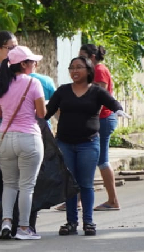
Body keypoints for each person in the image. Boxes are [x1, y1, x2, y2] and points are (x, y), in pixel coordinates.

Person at [45, 56, 127, 236]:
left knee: (86, 184)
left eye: (79, 67)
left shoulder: (96, 91)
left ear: (89, 70)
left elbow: (112, 103)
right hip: (65, 143)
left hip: (88, 144)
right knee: (70, 183)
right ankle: (71, 222)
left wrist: (118, 110)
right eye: (72, 68)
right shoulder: (63, 91)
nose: (75, 71)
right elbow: (47, 112)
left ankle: (88, 222)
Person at [0, 46, 47, 240]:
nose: (35, 64)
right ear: (23, 64)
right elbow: (41, 114)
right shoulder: (33, 83)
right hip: (29, 138)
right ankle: (23, 228)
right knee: (27, 186)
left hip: (5, 138)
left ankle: (6, 222)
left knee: (9, 184)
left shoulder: (1, 84)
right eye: (32, 61)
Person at [81, 44, 122, 211]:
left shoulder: (99, 70)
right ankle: (78, 199)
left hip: (103, 119)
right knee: (88, 158)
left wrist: (89, 119)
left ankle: (113, 200)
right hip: (101, 119)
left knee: (101, 160)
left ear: (91, 57)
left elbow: (99, 98)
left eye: (82, 56)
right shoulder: (95, 70)